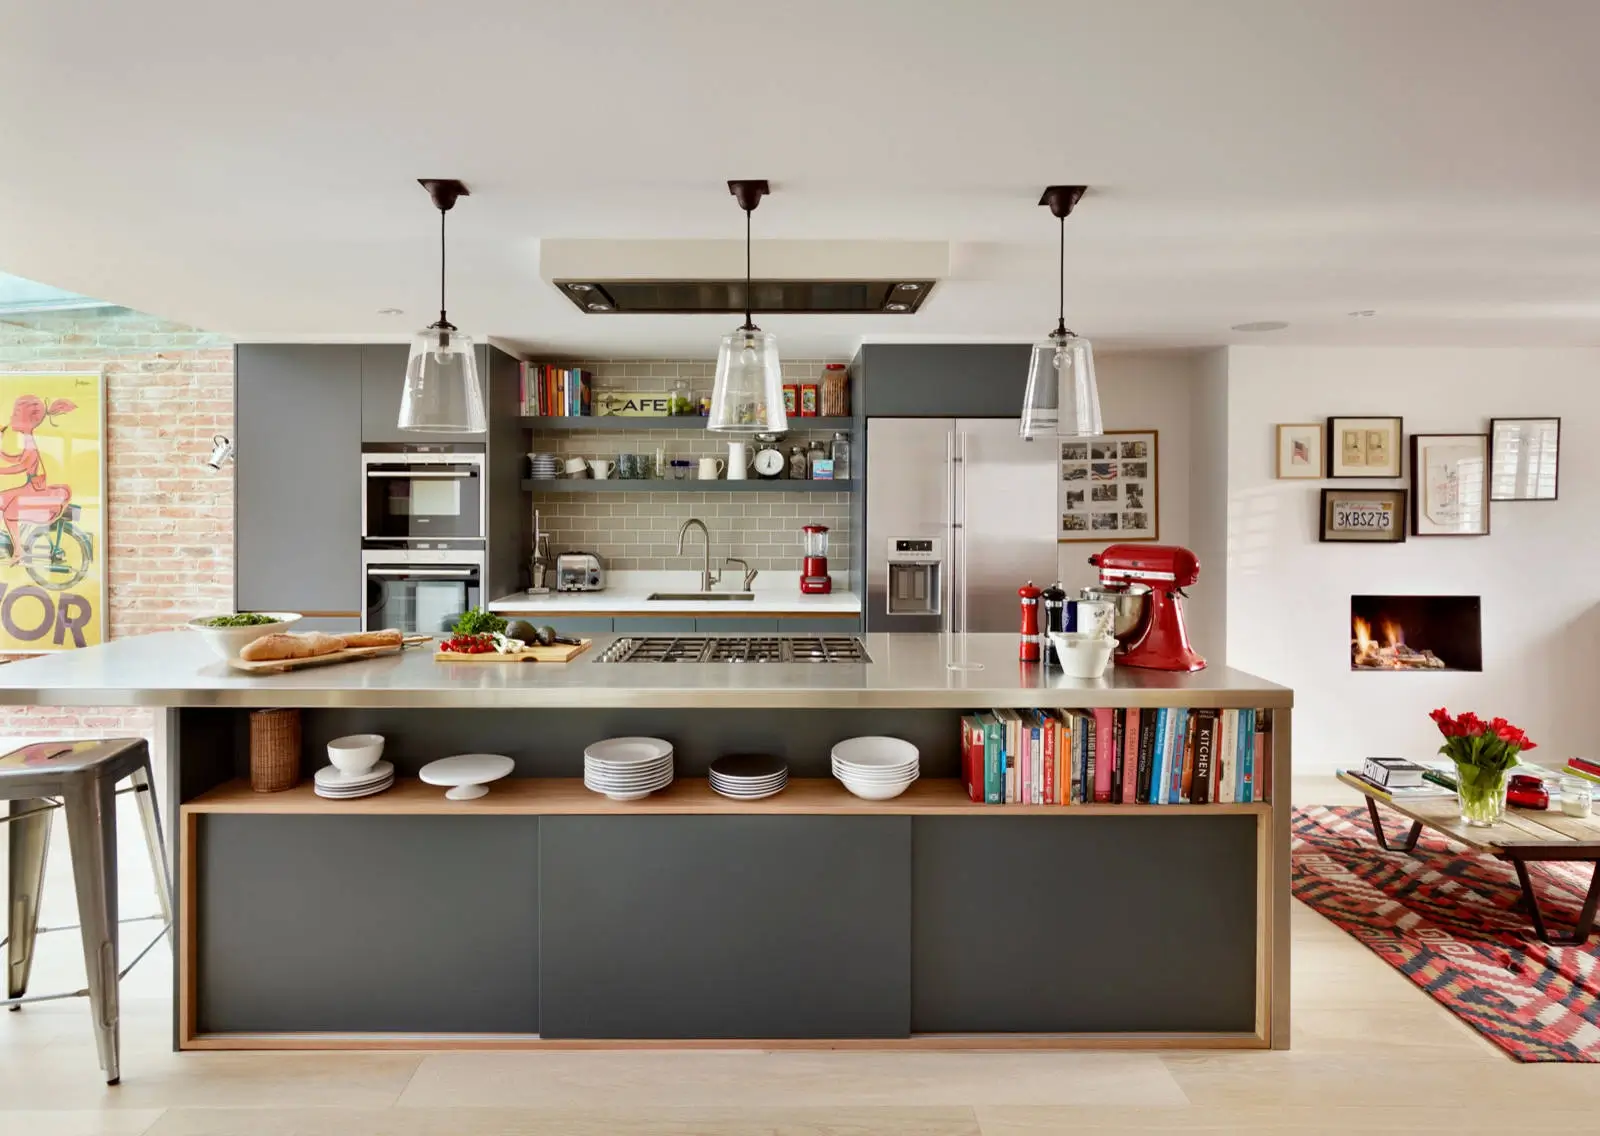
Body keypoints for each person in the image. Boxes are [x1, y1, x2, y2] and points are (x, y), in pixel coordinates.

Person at [0, 395, 76, 566]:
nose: (11, 416)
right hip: (30, 487)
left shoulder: (30, 442)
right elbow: (18, 459)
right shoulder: (27, 440)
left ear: (27, 420)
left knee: (9, 514)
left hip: (35, 491)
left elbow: (21, 466)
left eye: (15, 413)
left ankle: (18, 551)